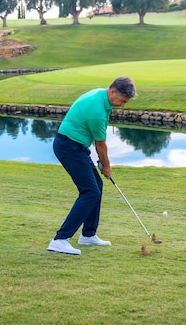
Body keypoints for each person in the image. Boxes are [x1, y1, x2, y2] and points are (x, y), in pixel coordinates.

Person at [47, 76, 137, 255]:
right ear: (112, 92)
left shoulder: (101, 97)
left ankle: (88, 235)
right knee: (90, 191)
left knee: (97, 186)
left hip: (76, 147)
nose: (123, 105)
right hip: (68, 147)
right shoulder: (97, 110)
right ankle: (60, 239)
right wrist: (106, 166)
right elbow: (100, 145)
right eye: (122, 101)